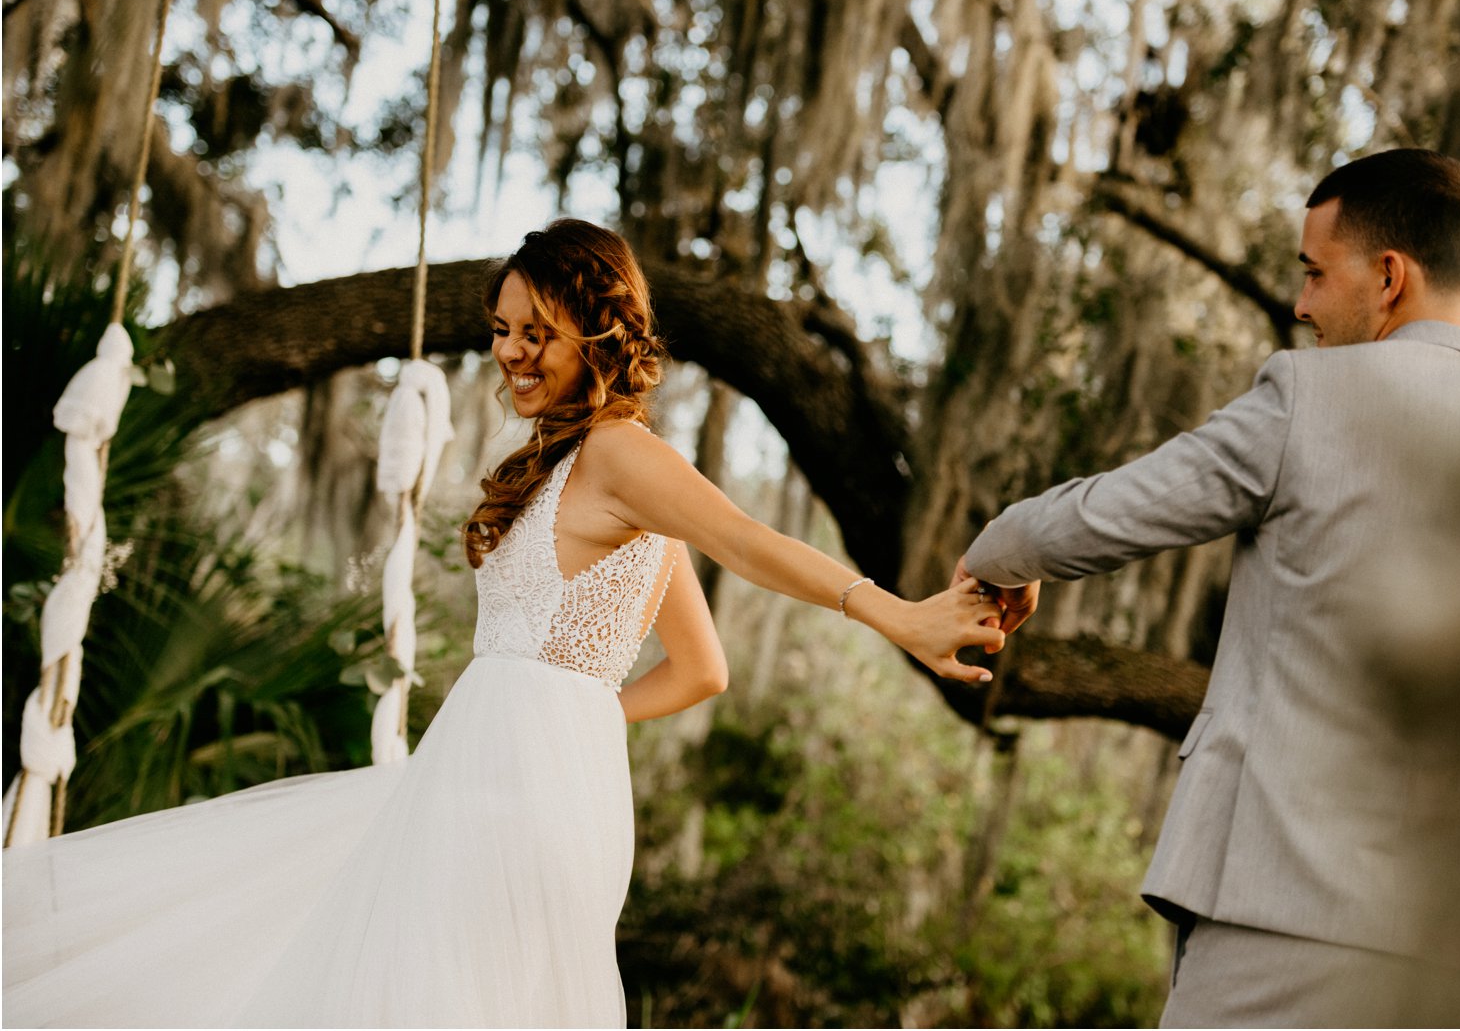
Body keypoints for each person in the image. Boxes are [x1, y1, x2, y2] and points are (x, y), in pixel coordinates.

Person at [3, 219, 1004, 1027]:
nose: (513, 352)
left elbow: (745, 539)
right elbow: (702, 669)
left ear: (598, 333)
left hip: (523, 800)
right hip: (487, 771)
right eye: (502, 329)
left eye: (538, 331)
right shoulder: (570, 469)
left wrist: (897, 613)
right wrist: (580, 715)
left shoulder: (621, 452)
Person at [949, 149, 1460, 1026]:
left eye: (1316, 273)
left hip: (1281, 914)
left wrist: (995, 555)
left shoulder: (1310, 398)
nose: (1301, 303)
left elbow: (1112, 513)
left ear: (1391, 276)